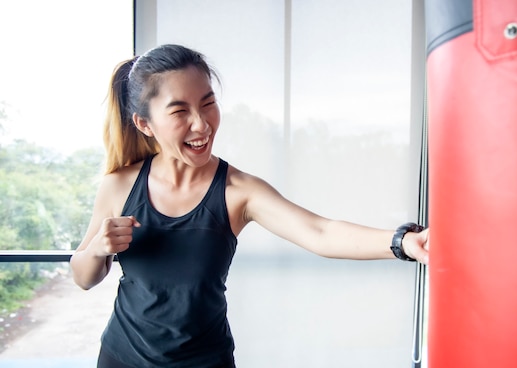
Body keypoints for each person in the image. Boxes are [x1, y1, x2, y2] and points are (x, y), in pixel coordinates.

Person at [70, 43, 430, 368]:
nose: (201, 124)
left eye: (208, 103)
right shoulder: (119, 185)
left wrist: (403, 242)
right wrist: (98, 249)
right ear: (144, 124)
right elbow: (84, 276)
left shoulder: (238, 191)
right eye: (179, 111)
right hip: (122, 358)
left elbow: (320, 232)